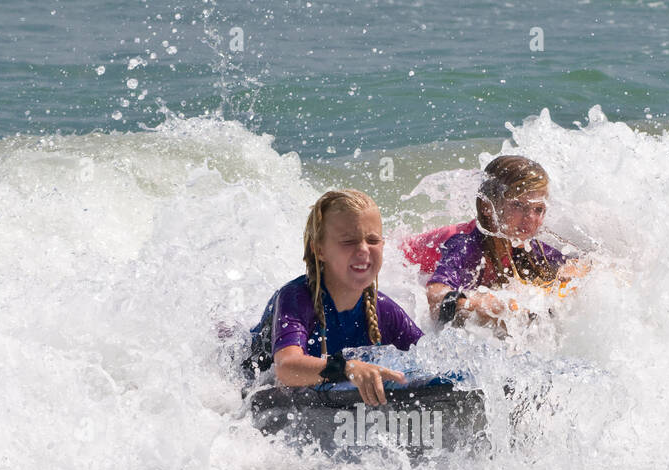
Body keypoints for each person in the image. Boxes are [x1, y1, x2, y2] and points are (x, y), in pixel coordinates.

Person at [245, 189, 422, 407]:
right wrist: (348, 369)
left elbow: (429, 356)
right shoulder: (296, 298)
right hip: (247, 383)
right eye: (348, 241)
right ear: (319, 250)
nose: (363, 250)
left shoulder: (384, 310)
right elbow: (286, 368)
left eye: (373, 240)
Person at [420, 156, 587, 331]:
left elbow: (582, 266)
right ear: (487, 206)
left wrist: (573, 271)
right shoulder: (466, 245)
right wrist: (473, 303)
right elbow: (435, 295)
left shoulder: (524, 245)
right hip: (402, 256)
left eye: (538, 209)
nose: (530, 218)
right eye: (518, 206)